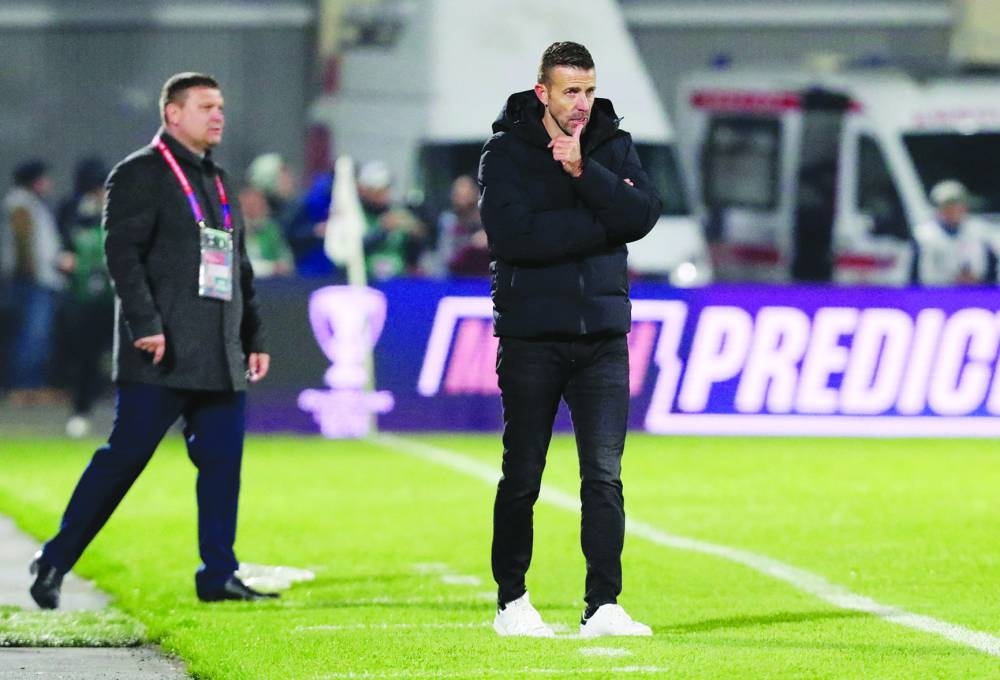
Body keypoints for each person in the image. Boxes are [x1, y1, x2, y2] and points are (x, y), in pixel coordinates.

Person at [29, 72, 277, 609]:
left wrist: (252, 332)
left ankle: (218, 574)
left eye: (221, 106)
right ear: (173, 114)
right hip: (162, 353)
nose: (219, 115)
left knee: (222, 467)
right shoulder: (139, 174)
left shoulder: (220, 179)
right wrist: (146, 325)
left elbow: (238, 265)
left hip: (219, 354)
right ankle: (54, 559)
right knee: (123, 461)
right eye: (207, 106)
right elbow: (122, 256)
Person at [479, 41, 659, 638]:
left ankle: (603, 605)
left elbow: (643, 215)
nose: (581, 103)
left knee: (603, 477)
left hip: (603, 338)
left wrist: (585, 171)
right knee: (523, 473)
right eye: (569, 92)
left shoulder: (611, 144)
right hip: (532, 338)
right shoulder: (505, 152)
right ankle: (512, 602)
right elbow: (513, 238)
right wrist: (601, 225)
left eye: (587, 90)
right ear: (543, 94)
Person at [56, 157, 115, 438]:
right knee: (86, 357)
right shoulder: (72, 210)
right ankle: (81, 411)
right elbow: (62, 247)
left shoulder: (118, 209)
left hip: (118, 296)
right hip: (84, 296)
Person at [2, 159, 65, 405]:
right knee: (33, 336)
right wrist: (30, 273)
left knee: (34, 336)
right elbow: (23, 243)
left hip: (36, 280)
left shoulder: (28, 204)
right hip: (32, 282)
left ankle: (31, 385)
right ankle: (25, 386)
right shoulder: (21, 204)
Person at [913, 180, 995, 286]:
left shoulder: (980, 231)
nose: (953, 210)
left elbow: (991, 271)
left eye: (957, 204)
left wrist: (977, 279)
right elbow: (917, 278)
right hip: (936, 296)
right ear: (937, 208)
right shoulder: (924, 235)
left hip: (976, 293)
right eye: (947, 205)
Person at [356, 160, 426, 281]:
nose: (384, 193)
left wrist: (416, 237)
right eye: (378, 189)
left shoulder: (399, 213)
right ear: (364, 189)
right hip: (365, 281)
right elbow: (352, 250)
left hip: (397, 281)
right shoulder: (355, 215)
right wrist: (382, 230)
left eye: (386, 188)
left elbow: (413, 256)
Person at [436, 174, 490, 277]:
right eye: (457, 193)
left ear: (476, 193)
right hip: (457, 280)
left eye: (465, 192)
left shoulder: (489, 221)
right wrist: (472, 245)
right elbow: (448, 259)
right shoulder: (448, 221)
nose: (460, 196)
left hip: (486, 281)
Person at [238, 185, 295, 278]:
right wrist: (270, 268)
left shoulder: (271, 229)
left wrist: (281, 266)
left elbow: (286, 262)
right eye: (250, 205)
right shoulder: (231, 232)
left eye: (259, 204)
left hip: (269, 284)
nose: (256, 209)